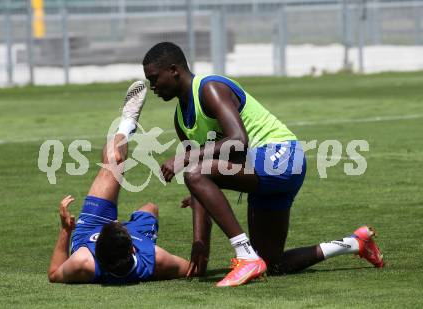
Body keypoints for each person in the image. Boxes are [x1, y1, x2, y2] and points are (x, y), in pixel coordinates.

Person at [142, 42, 384, 287]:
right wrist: (200, 247)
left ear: (173, 70)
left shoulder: (209, 88)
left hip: (281, 156)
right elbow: (201, 188)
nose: (152, 87)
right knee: (273, 264)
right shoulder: (180, 120)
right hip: (263, 175)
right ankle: (355, 243)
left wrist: (186, 158)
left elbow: (238, 140)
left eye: (154, 78)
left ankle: (245, 257)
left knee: (195, 172)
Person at [47, 81, 189, 284]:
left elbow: (53, 274)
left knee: (115, 160)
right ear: (133, 248)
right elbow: (194, 268)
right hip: (135, 240)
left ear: (96, 249)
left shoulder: (84, 261)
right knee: (150, 207)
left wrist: (65, 230)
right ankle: (127, 125)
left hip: (90, 227)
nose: (114, 221)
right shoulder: (155, 258)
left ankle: (127, 123)